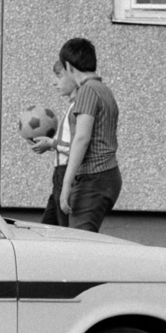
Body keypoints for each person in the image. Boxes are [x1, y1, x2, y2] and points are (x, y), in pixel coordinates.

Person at [56, 38, 122, 233]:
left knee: (79, 244)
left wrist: (66, 184)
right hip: (108, 176)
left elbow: (82, 138)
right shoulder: (104, 90)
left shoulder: (87, 91)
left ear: (68, 66)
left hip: (93, 178)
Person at [29, 58, 78, 226]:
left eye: (59, 76)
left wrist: (51, 143)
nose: (54, 83)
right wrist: (49, 144)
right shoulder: (72, 106)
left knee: (65, 232)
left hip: (66, 174)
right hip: (59, 175)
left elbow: (76, 148)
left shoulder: (78, 108)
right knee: (47, 229)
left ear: (73, 75)